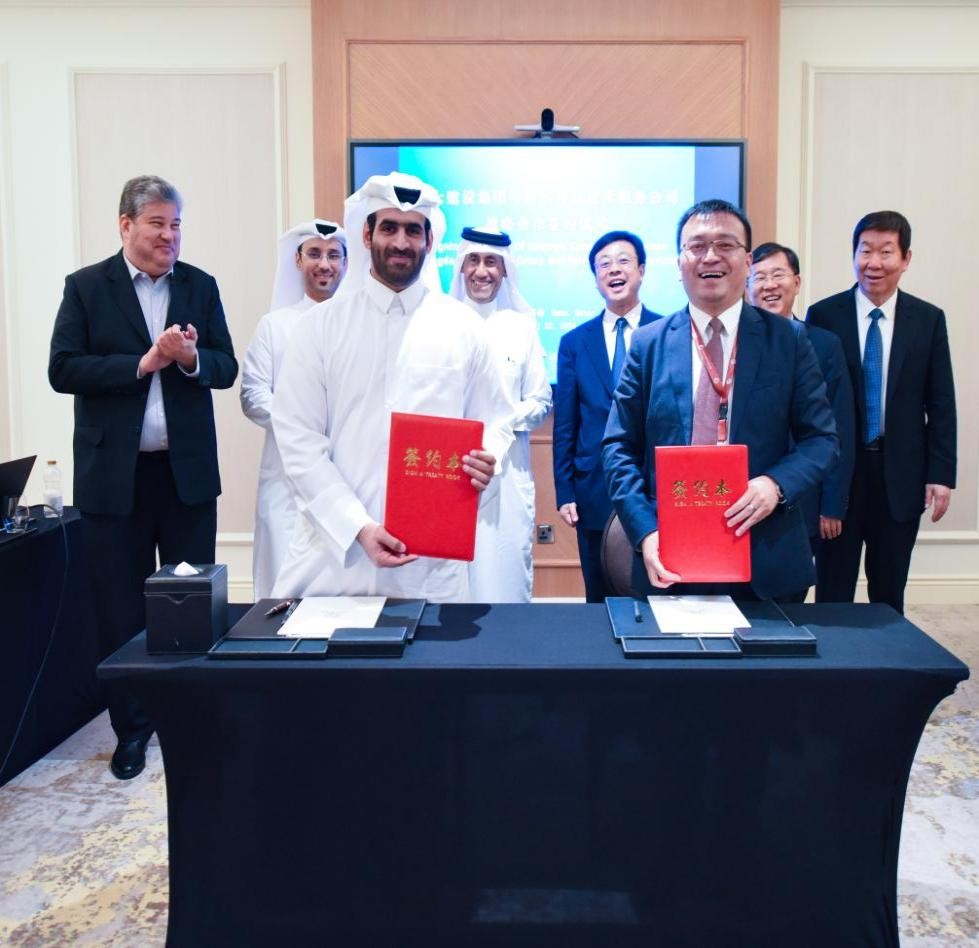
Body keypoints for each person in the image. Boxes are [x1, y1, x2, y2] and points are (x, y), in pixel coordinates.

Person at [49, 174, 237, 779]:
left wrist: (191, 359)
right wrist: (143, 362)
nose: (169, 236)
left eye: (176, 224)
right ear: (126, 225)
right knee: (119, 608)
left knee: (190, 606)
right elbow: (63, 369)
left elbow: (226, 367)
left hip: (185, 477)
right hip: (114, 478)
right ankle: (131, 730)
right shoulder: (86, 287)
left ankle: (188, 722)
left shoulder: (200, 286)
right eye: (157, 223)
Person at [271, 172, 514, 602]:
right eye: (389, 228)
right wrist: (357, 525)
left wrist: (487, 461)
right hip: (336, 559)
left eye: (413, 230)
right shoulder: (320, 327)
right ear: (366, 235)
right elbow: (298, 440)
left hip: (431, 567)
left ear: (429, 241)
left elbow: (494, 421)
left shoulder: (464, 329)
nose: (401, 242)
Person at [602, 199, 837, 601]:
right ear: (679, 263)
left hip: (765, 551)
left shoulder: (789, 341)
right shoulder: (647, 344)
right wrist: (645, 530)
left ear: (747, 261)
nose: (710, 256)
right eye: (697, 246)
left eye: (725, 245)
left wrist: (775, 485)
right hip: (669, 551)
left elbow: (822, 440)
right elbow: (617, 447)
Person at [806, 211, 956, 613]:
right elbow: (811, 403)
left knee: (889, 592)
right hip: (840, 475)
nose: (873, 262)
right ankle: (832, 655)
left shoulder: (927, 320)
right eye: (865, 250)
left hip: (902, 474)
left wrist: (941, 475)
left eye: (886, 251)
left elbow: (941, 402)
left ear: (906, 258)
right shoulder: (825, 315)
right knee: (832, 589)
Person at [240, 219, 347, 599]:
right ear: (298, 261)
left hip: (347, 472)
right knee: (281, 584)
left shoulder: (358, 326)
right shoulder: (274, 326)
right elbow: (253, 395)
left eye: (333, 255)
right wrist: (304, 427)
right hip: (286, 476)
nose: (324, 264)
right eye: (314, 254)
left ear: (346, 263)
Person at [552, 231, 661, 602]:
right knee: (598, 596)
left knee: (657, 593)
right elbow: (566, 423)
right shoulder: (574, 342)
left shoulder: (667, 332)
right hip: (593, 487)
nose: (614, 270)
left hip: (653, 487)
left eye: (623, 261)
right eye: (604, 264)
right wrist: (565, 490)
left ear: (641, 270)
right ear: (596, 277)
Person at [448, 225, 551, 602]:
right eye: (473, 260)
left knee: (505, 577)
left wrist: (501, 424)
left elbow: (540, 401)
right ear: (461, 266)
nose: (481, 271)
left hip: (508, 473)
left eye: (491, 261)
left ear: (505, 269)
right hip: (449, 471)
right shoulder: (441, 323)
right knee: (451, 580)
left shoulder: (521, 327)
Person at [748, 242, 855, 598]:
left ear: (796, 282)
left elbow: (837, 428)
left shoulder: (824, 345)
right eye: (759, 277)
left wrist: (832, 504)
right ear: (747, 287)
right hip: (745, 496)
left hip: (805, 497)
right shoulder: (735, 343)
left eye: (778, 275)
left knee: (791, 599)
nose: (769, 285)